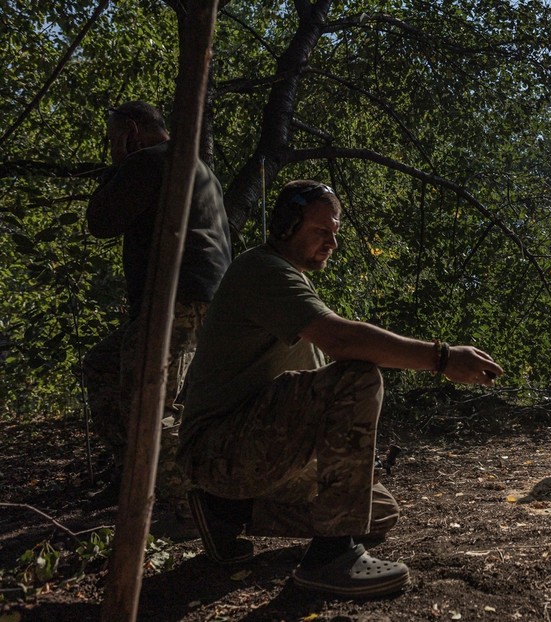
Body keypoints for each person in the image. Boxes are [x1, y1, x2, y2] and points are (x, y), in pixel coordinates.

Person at [178, 180, 504, 598]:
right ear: (285, 225)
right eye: (320, 231)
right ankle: (330, 559)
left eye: (335, 233)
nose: (331, 243)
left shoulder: (289, 277)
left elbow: (312, 387)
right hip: (218, 449)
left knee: (378, 512)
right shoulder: (261, 270)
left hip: (251, 450)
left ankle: (226, 510)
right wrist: (441, 358)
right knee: (358, 377)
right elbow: (342, 342)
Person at [82, 101, 232, 510]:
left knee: (151, 401)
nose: (112, 147)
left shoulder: (148, 161)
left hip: (174, 299)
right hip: (201, 299)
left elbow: (101, 221)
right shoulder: (196, 166)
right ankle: (133, 472)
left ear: (132, 130)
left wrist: (120, 162)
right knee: (103, 365)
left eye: (114, 139)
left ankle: (184, 505)